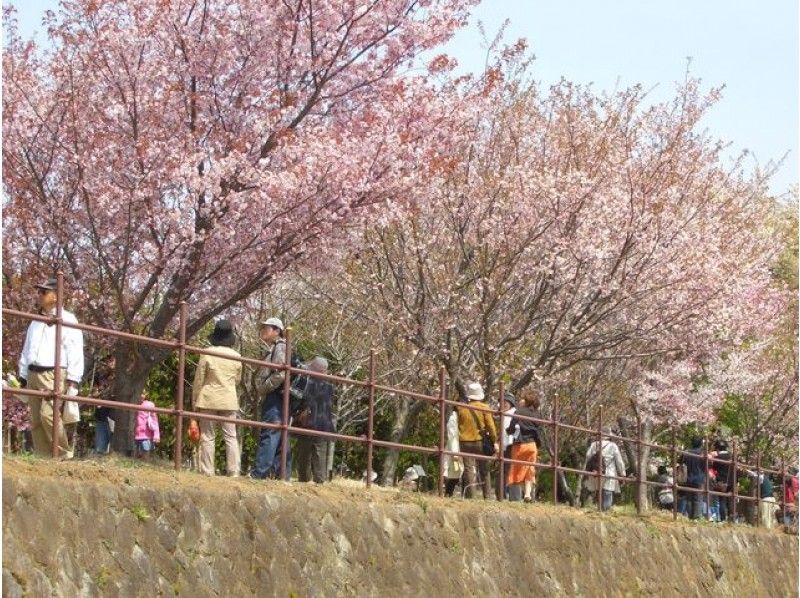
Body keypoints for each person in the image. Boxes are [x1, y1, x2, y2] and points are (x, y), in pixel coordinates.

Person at [17, 277, 85, 458]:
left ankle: (62, 453)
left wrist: (73, 380)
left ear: (56, 296)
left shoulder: (69, 319)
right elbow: (27, 348)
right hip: (33, 371)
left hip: (53, 372)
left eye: (44, 292)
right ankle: (43, 456)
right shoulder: (35, 320)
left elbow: (75, 350)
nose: (39, 295)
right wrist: (22, 374)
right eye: (39, 291)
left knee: (49, 415)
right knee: (36, 419)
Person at [192, 320, 243, 477]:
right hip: (229, 398)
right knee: (231, 436)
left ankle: (208, 471)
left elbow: (199, 379)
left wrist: (194, 401)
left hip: (209, 397)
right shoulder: (237, 356)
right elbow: (238, 380)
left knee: (208, 436)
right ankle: (233, 471)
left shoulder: (207, 353)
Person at [251, 317, 287, 480]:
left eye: (267, 328)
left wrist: (264, 387)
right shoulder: (277, 347)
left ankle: (260, 473)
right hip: (278, 395)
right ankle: (280, 474)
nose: (263, 330)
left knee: (270, 433)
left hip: (275, 395)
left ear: (277, 330)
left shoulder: (280, 347)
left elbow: (280, 373)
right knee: (279, 436)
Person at [293, 357, 335, 484]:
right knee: (320, 454)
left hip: (308, 422)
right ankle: (320, 480)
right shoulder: (329, 386)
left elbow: (296, 397)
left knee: (304, 454)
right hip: (324, 423)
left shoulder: (306, 382)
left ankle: (304, 480)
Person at [457, 381, 497, 500]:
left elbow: (458, 424)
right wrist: (494, 440)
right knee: (484, 469)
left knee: (468, 468)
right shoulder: (484, 407)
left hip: (464, 441)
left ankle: (471, 496)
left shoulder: (461, 408)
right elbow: (491, 426)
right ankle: (487, 496)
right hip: (480, 440)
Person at [507, 393, 541, 503]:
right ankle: (527, 495)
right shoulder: (536, 414)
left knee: (516, 470)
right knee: (529, 470)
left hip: (520, 445)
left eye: (523, 399)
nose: (520, 401)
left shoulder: (519, 412)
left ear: (526, 401)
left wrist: (509, 431)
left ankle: (515, 498)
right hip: (532, 445)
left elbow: (511, 429)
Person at [583, 427, 626, 511]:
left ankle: (599, 510)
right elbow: (619, 461)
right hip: (609, 472)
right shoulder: (612, 446)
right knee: (607, 492)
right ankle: (605, 511)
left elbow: (587, 456)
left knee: (599, 491)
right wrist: (623, 474)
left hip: (596, 471)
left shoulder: (594, 444)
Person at [680, 437, 707, 520]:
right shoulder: (702, 453)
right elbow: (706, 465)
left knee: (689, 498)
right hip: (699, 477)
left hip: (689, 477)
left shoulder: (687, 452)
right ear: (700, 444)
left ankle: (690, 516)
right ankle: (697, 517)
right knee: (698, 498)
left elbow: (680, 461)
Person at [442, 406, 464, 497]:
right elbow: (452, 436)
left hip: (460, 446)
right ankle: (448, 494)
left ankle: (450, 494)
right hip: (455, 447)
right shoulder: (453, 418)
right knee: (455, 472)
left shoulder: (462, 417)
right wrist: (455, 452)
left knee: (458, 472)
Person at [134, 393, 160, 461]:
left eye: (143, 393)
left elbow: (154, 420)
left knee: (146, 450)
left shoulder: (149, 404)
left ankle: (146, 463)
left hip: (146, 435)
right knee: (137, 451)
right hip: (137, 434)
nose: (140, 395)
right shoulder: (136, 404)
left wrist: (156, 435)